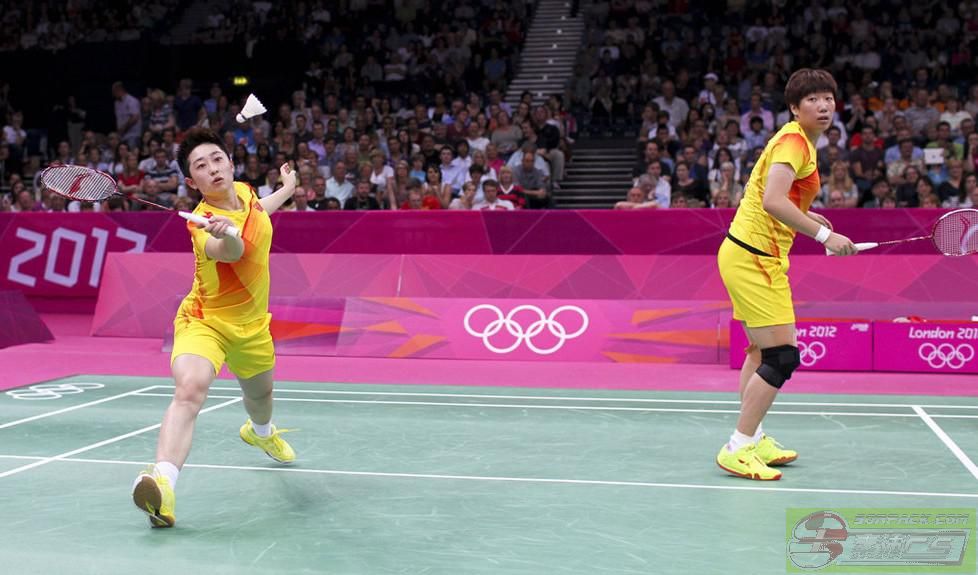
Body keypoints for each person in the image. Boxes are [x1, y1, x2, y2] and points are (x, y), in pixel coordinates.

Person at [131, 128, 300, 527]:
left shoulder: (244, 191)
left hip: (252, 326)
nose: (212, 168)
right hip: (204, 321)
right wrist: (226, 234)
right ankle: (163, 484)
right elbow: (232, 252)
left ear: (231, 162)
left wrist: (287, 188)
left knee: (261, 398)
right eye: (200, 166)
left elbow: (258, 212)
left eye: (217, 159)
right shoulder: (201, 225)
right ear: (192, 182)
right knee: (190, 389)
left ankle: (261, 432)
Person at [715, 69, 856, 481]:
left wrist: (808, 215)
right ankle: (738, 446)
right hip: (753, 258)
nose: (823, 105)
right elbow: (773, 200)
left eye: (828, 98)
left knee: (760, 353)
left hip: (753, 254)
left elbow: (769, 194)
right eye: (812, 99)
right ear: (795, 107)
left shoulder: (800, 141)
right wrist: (825, 236)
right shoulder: (794, 141)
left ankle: (754, 437)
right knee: (782, 357)